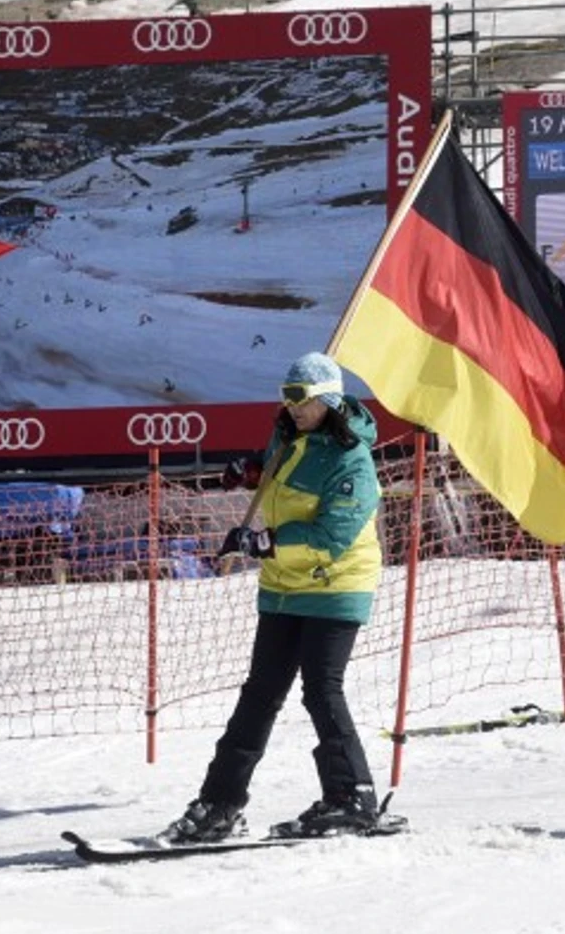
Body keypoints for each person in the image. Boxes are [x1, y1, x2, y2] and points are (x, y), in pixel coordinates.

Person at [160, 352, 388, 844]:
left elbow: (332, 533)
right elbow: (281, 476)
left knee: (321, 690)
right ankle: (220, 803)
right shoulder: (288, 436)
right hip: (284, 586)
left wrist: (264, 543)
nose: (292, 408)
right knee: (259, 694)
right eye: (286, 397)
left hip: (334, 584)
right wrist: (252, 470)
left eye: (301, 399)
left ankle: (352, 797)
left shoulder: (354, 462)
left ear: (328, 399)